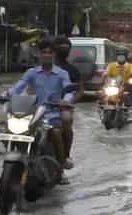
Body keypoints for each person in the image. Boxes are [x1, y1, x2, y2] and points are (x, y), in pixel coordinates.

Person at [1, 39, 74, 185]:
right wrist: (5, 94)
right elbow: (19, 87)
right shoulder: (32, 72)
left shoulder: (62, 74)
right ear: (39, 55)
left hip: (53, 113)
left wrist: (65, 100)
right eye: (44, 52)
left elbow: (69, 91)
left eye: (50, 52)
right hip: (33, 113)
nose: (46, 55)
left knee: (55, 133)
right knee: (10, 129)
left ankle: (60, 168)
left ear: (53, 55)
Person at [53, 36, 83, 169]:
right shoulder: (37, 69)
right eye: (61, 45)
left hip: (63, 104)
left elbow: (79, 90)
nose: (63, 48)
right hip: (41, 104)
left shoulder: (71, 70)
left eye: (66, 46)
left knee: (66, 120)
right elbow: (27, 87)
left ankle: (65, 156)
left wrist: (69, 102)